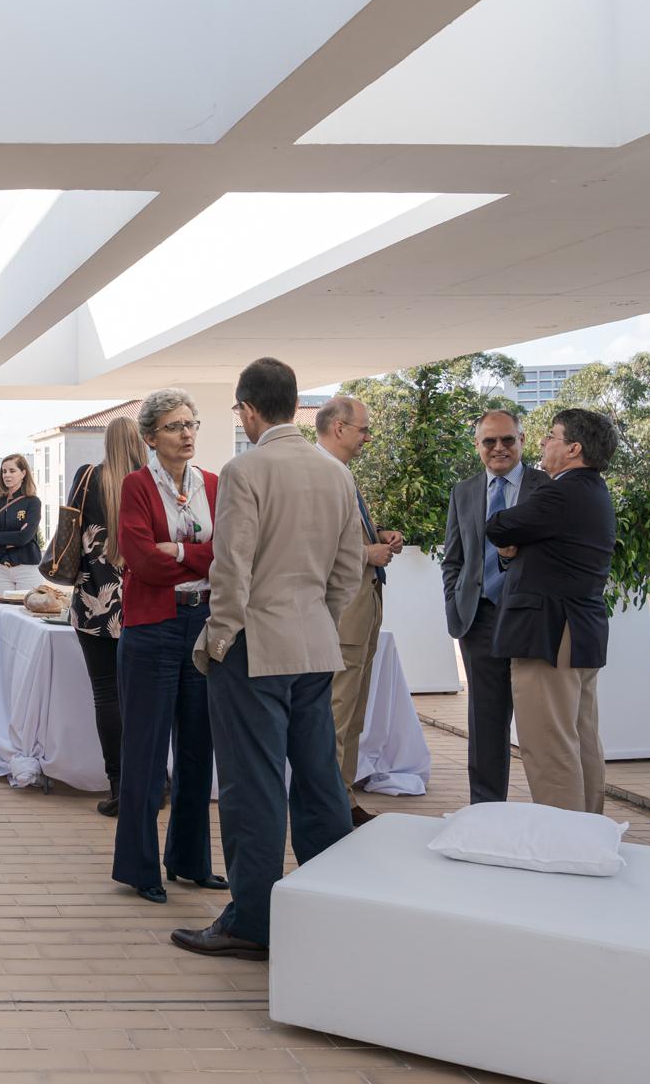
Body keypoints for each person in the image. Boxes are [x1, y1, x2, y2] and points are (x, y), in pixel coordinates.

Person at [175, 357, 364, 962]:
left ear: (249, 410)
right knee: (319, 782)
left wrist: (220, 636)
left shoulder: (244, 469)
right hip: (313, 643)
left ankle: (253, 921)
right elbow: (347, 569)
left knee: (251, 788)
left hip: (254, 647)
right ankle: (332, 908)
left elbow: (232, 566)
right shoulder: (335, 472)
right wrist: (321, 622)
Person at [112, 389, 227, 903]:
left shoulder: (214, 485)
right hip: (151, 628)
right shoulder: (136, 486)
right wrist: (200, 558)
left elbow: (230, 552)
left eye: (192, 424)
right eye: (175, 426)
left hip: (203, 622)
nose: (187, 434)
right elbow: (140, 561)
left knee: (198, 749)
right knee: (146, 749)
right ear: (150, 436)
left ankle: (190, 861)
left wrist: (180, 551)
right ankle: (140, 868)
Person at [485, 408, 619, 814]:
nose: (543, 443)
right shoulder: (594, 491)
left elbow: (498, 526)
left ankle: (564, 845)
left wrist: (515, 543)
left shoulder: (561, 492)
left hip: (550, 633)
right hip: (580, 632)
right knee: (580, 739)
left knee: (549, 743)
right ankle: (589, 833)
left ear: (574, 448)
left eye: (551, 436)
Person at [441, 410, 549, 804]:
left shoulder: (545, 487)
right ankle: (485, 813)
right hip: (480, 618)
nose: (499, 448)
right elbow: (453, 558)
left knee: (541, 723)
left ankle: (552, 815)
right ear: (478, 446)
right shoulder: (464, 491)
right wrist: (456, 604)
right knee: (486, 723)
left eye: (507, 440)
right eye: (489, 441)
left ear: (522, 440)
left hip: (531, 621)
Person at [313, 395, 403, 826]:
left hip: (364, 603)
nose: (368, 437)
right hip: (346, 605)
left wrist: (377, 535)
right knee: (339, 709)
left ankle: (343, 798)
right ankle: (331, 804)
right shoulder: (321, 472)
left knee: (354, 710)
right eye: (364, 429)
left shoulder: (341, 472)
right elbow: (314, 540)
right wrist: (367, 552)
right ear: (339, 428)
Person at [69, 416, 146, 818]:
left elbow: (72, 531)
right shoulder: (150, 482)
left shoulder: (89, 478)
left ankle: (118, 785)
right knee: (144, 697)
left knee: (106, 693)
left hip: (94, 603)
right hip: (140, 601)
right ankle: (152, 781)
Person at [0, 454, 44, 594]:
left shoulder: (32, 502)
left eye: (12, 471)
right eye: (4, 471)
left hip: (27, 568)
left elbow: (24, 537)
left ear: (23, 473)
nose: (7, 475)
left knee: (27, 612)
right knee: (2, 612)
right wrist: (12, 539)